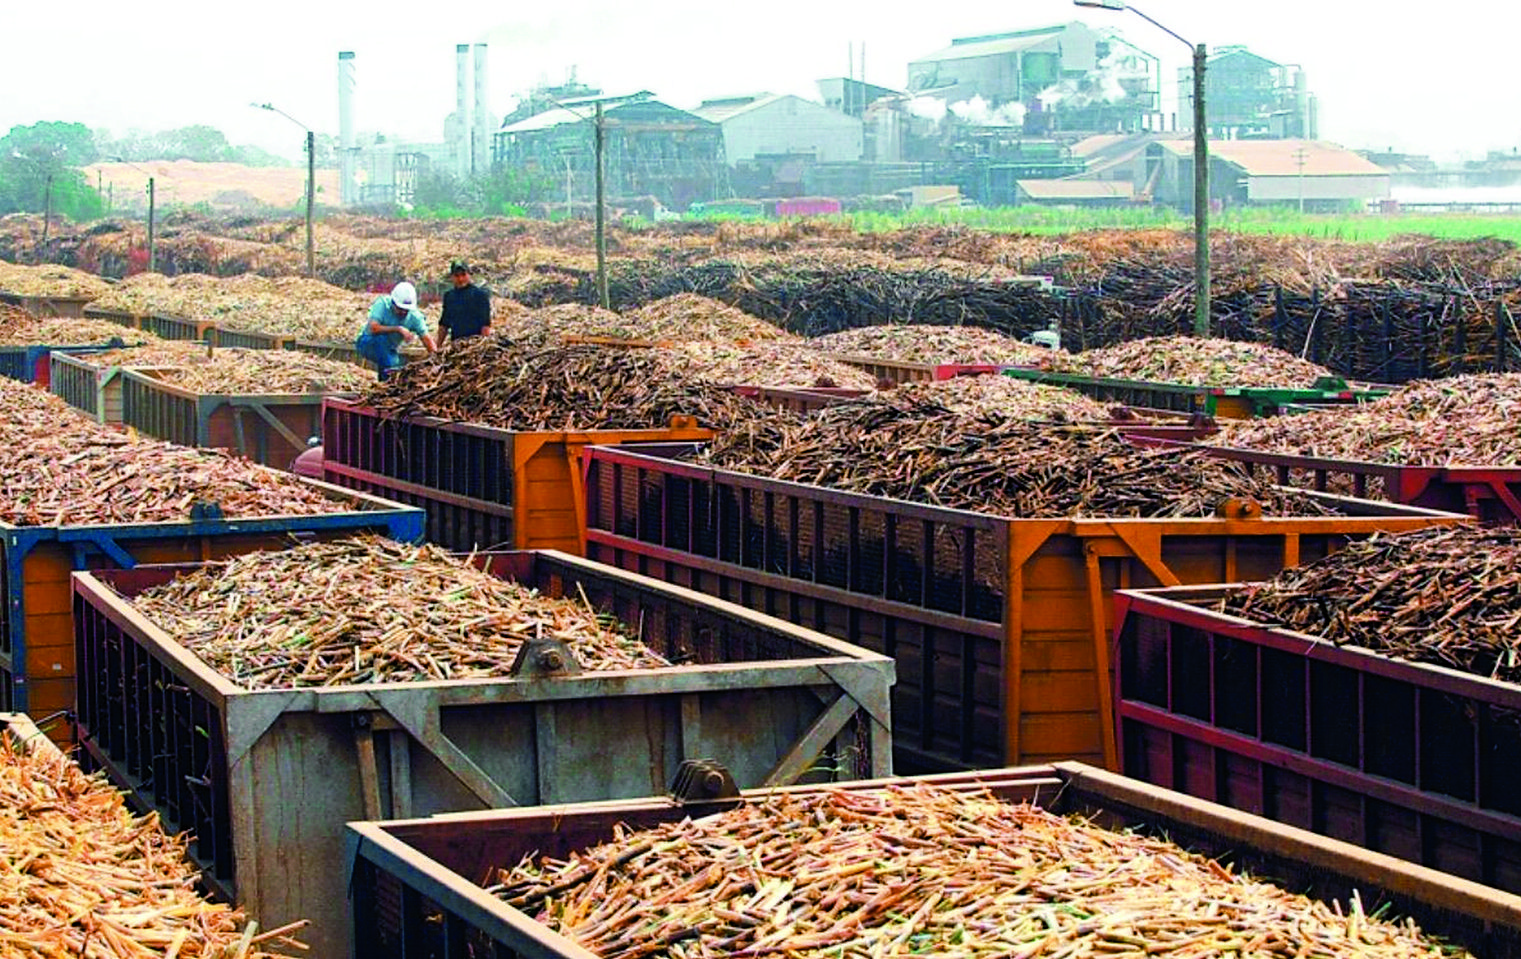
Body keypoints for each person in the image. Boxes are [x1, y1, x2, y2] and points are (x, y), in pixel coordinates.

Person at [356, 281, 437, 380]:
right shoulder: (383, 304)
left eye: (406, 310)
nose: (403, 312)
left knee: (394, 362)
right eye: (400, 309)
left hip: (389, 350)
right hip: (367, 342)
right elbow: (373, 328)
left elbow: (426, 339)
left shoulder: (415, 316)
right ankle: (388, 379)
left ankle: (385, 383)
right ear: (393, 303)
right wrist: (398, 329)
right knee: (384, 347)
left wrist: (437, 359)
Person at [437, 260, 492, 345]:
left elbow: (485, 324)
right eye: (457, 276)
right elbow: (444, 324)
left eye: (463, 275)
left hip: (475, 344)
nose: (460, 279)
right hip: (456, 344)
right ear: (451, 277)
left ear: (469, 274)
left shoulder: (480, 295)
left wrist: (482, 346)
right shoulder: (449, 296)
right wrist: (438, 346)